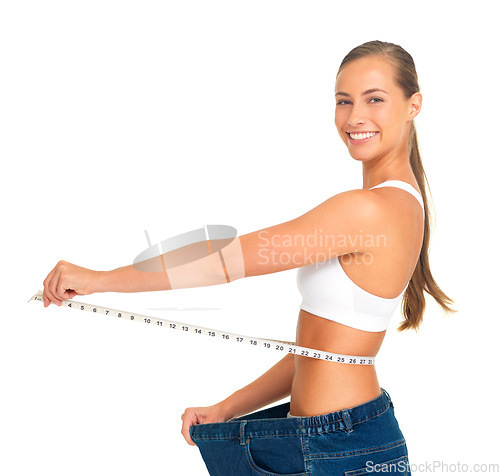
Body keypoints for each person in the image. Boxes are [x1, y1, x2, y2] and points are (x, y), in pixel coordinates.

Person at [42, 40, 456, 475]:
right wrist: (229, 407)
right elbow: (320, 353)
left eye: (375, 99)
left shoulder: (368, 209)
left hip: (338, 448)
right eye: (343, 101)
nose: (355, 117)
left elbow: (226, 261)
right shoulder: (397, 204)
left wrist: (99, 278)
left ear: (414, 105)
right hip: (332, 439)